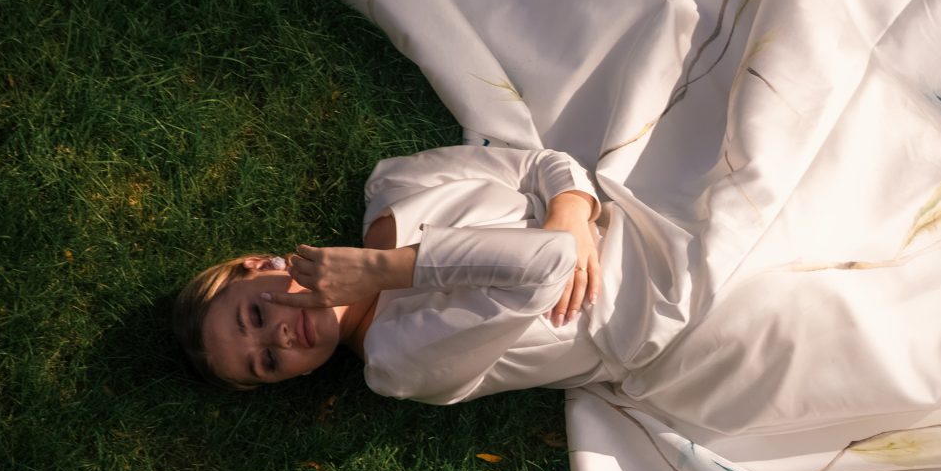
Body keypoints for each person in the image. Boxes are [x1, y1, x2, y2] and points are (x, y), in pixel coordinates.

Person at [170, 142, 684, 404]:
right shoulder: (398, 363)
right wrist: (379, 270)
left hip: (657, 212)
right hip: (675, 317)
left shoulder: (392, 185)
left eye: (255, 315)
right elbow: (548, 263)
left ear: (258, 265)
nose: (278, 339)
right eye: (265, 363)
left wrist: (572, 208)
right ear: (296, 375)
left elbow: (540, 164)